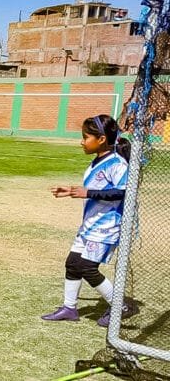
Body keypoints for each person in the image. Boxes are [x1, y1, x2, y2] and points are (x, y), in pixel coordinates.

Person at [41, 114, 138, 327]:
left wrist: (88, 193)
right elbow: (97, 188)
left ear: (101, 139)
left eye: (86, 137)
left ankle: (121, 306)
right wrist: (71, 190)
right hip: (90, 224)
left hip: (106, 226)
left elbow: (123, 192)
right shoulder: (97, 161)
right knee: (73, 264)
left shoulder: (117, 163)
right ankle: (69, 308)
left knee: (87, 267)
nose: (82, 142)